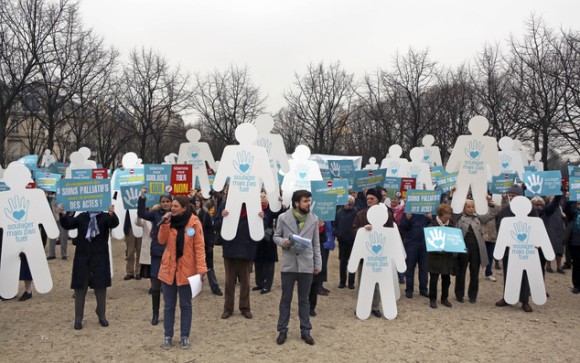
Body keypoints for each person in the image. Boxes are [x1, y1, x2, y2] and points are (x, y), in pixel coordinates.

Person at [58, 204, 119, 330]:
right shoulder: (82, 217)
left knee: (101, 288)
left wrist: (112, 214)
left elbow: (114, 223)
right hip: (82, 258)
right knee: (80, 289)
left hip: (100, 258)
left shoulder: (105, 217)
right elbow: (68, 224)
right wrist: (63, 214)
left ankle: (102, 315)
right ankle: (78, 319)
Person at [157, 196, 207, 350]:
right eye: (171, 205)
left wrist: (201, 269)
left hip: (187, 270)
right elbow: (161, 240)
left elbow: (199, 247)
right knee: (168, 306)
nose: (172, 208)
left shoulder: (194, 222)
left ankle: (185, 336)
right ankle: (168, 336)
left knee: (185, 305)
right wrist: (164, 224)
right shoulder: (168, 221)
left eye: (175, 206)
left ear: (184, 207)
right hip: (168, 270)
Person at [274, 190, 322, 346]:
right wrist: (283, 242)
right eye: (305, 201)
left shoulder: (314, 219)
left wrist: (318, 264)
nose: (309, 203)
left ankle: (305, 330)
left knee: (304, 300)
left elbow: (316, 244)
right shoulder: (282, 218)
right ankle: (282, 330)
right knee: (285, 299)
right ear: (296, 203)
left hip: (306, 264)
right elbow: (275, 236)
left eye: (309, 200)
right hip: (289, 264)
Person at [214, 190, 261, 320]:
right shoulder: (225, 206)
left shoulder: (253, 207)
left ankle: (245, 307)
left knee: (245, 281)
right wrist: (222, 217)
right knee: (229, 281)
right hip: (230, 248)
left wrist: (263, 216)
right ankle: (228, 308)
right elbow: (216, 225)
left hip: (247, 248)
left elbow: (263, 225)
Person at [352, 188, 394, 317]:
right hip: (364, 254)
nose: (369, 201)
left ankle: (375, 306)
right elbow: (354, 230)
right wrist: (363, 230)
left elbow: (391, 232)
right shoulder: (361, 214)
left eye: (372, 199)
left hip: (380, 254)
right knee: (363, 281)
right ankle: (362, 305)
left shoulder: (387, 214)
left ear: (378, 200)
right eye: (368, 198)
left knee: (377, 282)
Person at [137, 188, 172, 326]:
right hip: (157, 253)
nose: (165, 204)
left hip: (171, 254)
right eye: (163, 201)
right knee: (156, 286)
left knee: (169, 287)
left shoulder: (176, 214)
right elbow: (141, 213)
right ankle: (155, 313)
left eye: (168, 201)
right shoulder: (156, 214)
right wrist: (142, 197)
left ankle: (168, 312)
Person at [454, 197, 497, 303]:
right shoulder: (459, 218)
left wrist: (491, 204)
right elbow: (452, 209)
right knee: (461, 272)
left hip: (476, 248)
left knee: (474, 272)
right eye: (468, 207)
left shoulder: (478, 218)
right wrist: (452, 195)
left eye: (472, 207)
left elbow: (492, 214)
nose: (470, 209)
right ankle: (459, 294)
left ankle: (472, 295)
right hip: (462, 247)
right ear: (464, 208)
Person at [190, 193, 222, 296]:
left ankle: (215, 287)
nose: (196, 203)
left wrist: (210, 243)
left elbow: (210, 230)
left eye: (198, 201)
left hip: (205, 244)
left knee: (209, 266)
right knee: (193, 266)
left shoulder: (205, 214)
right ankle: (194, 287)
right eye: (194, 201)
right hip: (192, 244)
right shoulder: (189, 215)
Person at [253, 191, 282, 294]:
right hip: (256, 235)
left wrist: (280, 203)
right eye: (260, 196)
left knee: (269, 262)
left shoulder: (271, 208)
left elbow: (280, 213)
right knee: (258, 261)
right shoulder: (254, 207)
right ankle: (259, 283)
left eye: (264, 196)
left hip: (268, 235)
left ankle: (267, 285)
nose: (262, 198)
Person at [427, 203, 455, 308]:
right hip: (435, 256)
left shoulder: (451, 225)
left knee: (446, 279)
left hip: (447, 256)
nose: (446, 219)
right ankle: (432, 299)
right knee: (434, 279)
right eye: (445, 217)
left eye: (448, 216)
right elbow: (429, 241)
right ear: (439, 215)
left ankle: (444, 298)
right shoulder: (432, 225)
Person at [401, 209, 432, 299]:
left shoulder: (429, 211)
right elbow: (402, 227)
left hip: (425, 242)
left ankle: (423, 289)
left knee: (424, 268)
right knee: (410, 267)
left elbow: (435, 225)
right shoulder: (408, 211)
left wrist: (431, 218)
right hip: (411, 243)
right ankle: (409, 290)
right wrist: (407, 219)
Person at [333, 196, 357, 289]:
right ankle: (342, 281)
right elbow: (335, 225)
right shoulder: (339, 212)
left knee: (352, 262)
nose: (347, 205)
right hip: (342, 241)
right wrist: (337, 234)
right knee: (343, 262)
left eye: (350, 204)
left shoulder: (356, 213)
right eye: (346, 203)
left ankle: (351, 282)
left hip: (353, 241)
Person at [563, 200, 580, 294]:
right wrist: (570, 198)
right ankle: (577, 285)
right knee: (577, 264)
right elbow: (566, 209)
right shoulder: (574, 214)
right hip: (576, 243)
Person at [123, 209, 142, 280]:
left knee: (140, 250)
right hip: (129, 226)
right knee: (130, 251)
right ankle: (129, 272)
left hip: (140, 225)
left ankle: (138, 271)